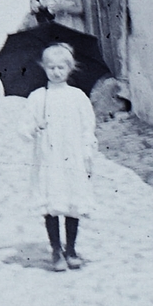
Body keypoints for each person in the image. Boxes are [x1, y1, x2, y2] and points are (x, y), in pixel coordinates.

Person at [28, 43, 98, 271]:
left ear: (70, 68)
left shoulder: (77, 97)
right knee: (52, 203)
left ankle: (71, 249)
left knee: (72, 202)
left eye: (61, 67)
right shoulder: (39, 97)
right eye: (51, 67)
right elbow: (23, 128)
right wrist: (35, 126)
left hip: (72, 157)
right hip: (49, 159)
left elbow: (88, 127)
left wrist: (87, 153)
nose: (56, 72)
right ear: (44, 67)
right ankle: (56, 250)